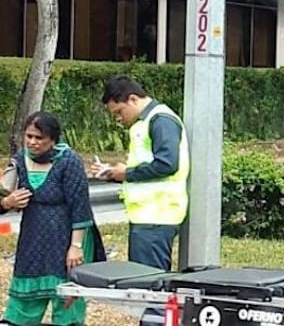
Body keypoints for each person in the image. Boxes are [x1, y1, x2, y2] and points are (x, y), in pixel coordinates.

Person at [1, 111, 105, 326]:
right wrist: (8, 202)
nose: (32, 142)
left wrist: (76, 246)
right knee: (24, 299)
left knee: (66, 298)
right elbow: (3, 197)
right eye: (28, 136)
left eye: (39, 138)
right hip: (33, 237)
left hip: (67, 236)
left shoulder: (69, 161)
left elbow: (80, 206)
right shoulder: (19, 160)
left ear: (53, 140)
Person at [92, 75, 190, 272]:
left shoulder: (161, 120)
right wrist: (115, 173)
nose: (118, 119)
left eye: (119, 112)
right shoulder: (145, 123)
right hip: (149, 215)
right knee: (143, 282)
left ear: (133, 99)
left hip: (157, 215)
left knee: (149, 284)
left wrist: (126, 173)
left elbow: (167, 164)